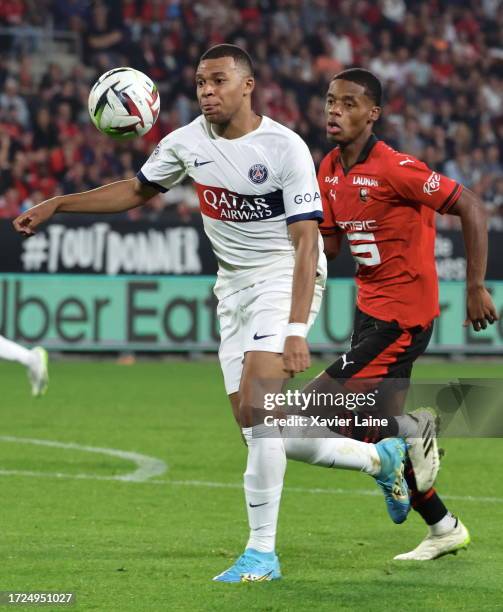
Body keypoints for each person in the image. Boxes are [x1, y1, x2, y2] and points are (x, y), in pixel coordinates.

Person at [13, 46, 411, 582]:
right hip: (233, 291)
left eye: (218, 81)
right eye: (201, 81)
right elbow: (135, 190)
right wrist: (59, 203)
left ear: (247, 86)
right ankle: (379, 459)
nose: (206, 90)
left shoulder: (283, 147)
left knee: (263, 410)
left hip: (283, 280)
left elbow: (305, 243)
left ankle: (262, 554)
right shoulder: (185, 143)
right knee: (259, 427)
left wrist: (296, 329)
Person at [315, 68, 498, 560]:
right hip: (368, 315)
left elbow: (473, 206)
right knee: (369, 431)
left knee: (316, 409)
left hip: (403, 320)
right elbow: (329, 247)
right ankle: (443, 526)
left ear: (373, 114)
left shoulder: (396, 168)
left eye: (349, 103)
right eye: (331, 101)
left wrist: (475, 286)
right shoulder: (329, 168)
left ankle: (416, 431)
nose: (336, 110)